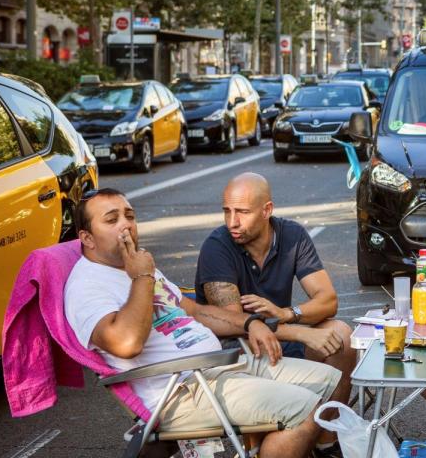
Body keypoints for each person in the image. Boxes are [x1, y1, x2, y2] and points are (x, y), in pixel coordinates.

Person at [64, 188, 341, 458]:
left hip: (218, 366)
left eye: (130, 216)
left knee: (328, 381)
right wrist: (142, 278)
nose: (126, 225)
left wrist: (250, 323)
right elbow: (127, 344)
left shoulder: (136, 265)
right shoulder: (89, 285)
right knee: (306, 409)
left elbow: (195, 312)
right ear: (87, 238)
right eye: (112, 220)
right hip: (182, 389)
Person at [195, 173, 356, 454]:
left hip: (279, 335)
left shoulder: (291, 235)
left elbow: (327, 300)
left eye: (242, 212)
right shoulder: (217, 246)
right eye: (227, 211)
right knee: (264, 347)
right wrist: (300, 331)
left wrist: (286, 313)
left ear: (267, 210)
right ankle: (270, 445)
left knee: (341, 335)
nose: (232, 221)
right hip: (237, 351)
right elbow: (237, 325)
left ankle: (326, 442)